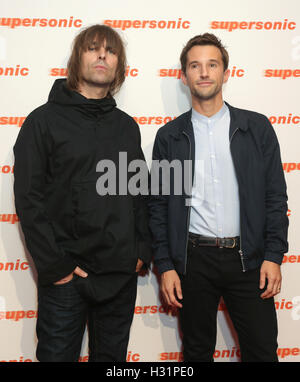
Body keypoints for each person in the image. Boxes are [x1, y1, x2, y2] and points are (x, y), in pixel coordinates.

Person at [13, 24, 152, 362]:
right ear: (77, 59)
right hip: (67, 279)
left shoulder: (126, 126)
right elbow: (29, 199)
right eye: (93, 47)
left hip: (119, 277)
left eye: (111, 50)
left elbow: (139, 193)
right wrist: (56, 266)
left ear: (119, 65)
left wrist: (141, 252)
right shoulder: (41, 122)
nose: (102, 54)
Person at [149, 33, 288, 362]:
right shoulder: (170, 137)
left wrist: (273, 254)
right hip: (193, 261)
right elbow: (157, 206)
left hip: (250, 259)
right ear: (184, 76)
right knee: (196, 353)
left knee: (263, 352)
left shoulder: (256, 128)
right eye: (195, 66)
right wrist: (166, 265)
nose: (204, 72)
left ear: (226, 72)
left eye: (212, 64)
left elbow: (275, 197)